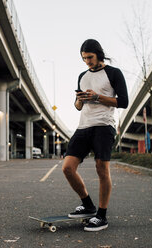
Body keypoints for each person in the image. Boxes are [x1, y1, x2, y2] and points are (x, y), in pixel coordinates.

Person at [62, 39, 128, 232]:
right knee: (67, 168)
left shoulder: (114, 73)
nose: (87, 62)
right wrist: (81, 100)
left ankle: (101, 215)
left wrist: (97, 97)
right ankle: (87, 205)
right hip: (84, 126)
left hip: (104, 126)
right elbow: (77, 106)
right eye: (84, 58)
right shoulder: (82, 76)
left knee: (101, 169)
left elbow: (123, 102)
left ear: (99, 54)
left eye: (89, 57)